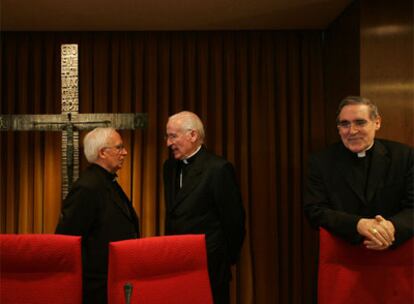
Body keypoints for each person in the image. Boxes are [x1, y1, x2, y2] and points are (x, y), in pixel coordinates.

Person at [304, 96, 413, 250]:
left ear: (377, 122)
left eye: (360, 122)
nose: (352, 131)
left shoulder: (405, 156)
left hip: (396, 249)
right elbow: (314, 210)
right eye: (345, 124)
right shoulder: (321, 162)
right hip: (343, 251)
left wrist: (391, 228)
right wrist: (358, 224)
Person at [163, 111, 245, 304]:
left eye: (173, 136)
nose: (168, 143)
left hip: (210, 265)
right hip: (177, 262)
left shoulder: (218, 169)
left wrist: (225, 259)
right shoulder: (168, 167)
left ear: (193, 135)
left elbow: (234, 221)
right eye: (167, 136)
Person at [56, 127, 140, 304]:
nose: (124, 152)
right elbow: (67, 240)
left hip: (112, 279)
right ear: (103, 152)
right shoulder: (87, 187)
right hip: (96, 287)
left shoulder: (105, 180)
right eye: (119, 147)